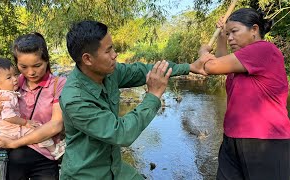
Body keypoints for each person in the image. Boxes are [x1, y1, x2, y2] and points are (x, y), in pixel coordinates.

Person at [59, 20, 209, 179]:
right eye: (108, 50)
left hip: (114, 168)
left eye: (113, 48)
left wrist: (190, 67)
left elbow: (141, 71)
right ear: (87, 59)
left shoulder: (108, 72)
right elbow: (121, 133)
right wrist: (153, 96)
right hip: (86, 174)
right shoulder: (75, 99)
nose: (115, 54)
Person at [197, 8, 290, 180]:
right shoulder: (241, 60)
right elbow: (221, 63)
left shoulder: (264, 50)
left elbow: (211, 66)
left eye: (234, 32)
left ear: (254, 29)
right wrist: (221, 36)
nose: (230, 37)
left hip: (265, 141)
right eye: (228, 33)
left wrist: (203, 52)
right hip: (232, 139)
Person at [0, 33, 66, 180]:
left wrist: (14, 143)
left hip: (44, 159)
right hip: (8, 157)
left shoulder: (59, 84)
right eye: (23, 67)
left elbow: (56, 126)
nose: (30, 72)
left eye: (37, 65)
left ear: (46, 60)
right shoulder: (10, 84)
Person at [0, 58, 65, 160]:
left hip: (2, 136)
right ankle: (55, 150)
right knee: (38, 129)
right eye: (9, 78)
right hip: (13, 132)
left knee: (2, 170)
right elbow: (8, 116)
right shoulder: (7, 96)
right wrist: (25, 122)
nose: (15, 79)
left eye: (15, 75)